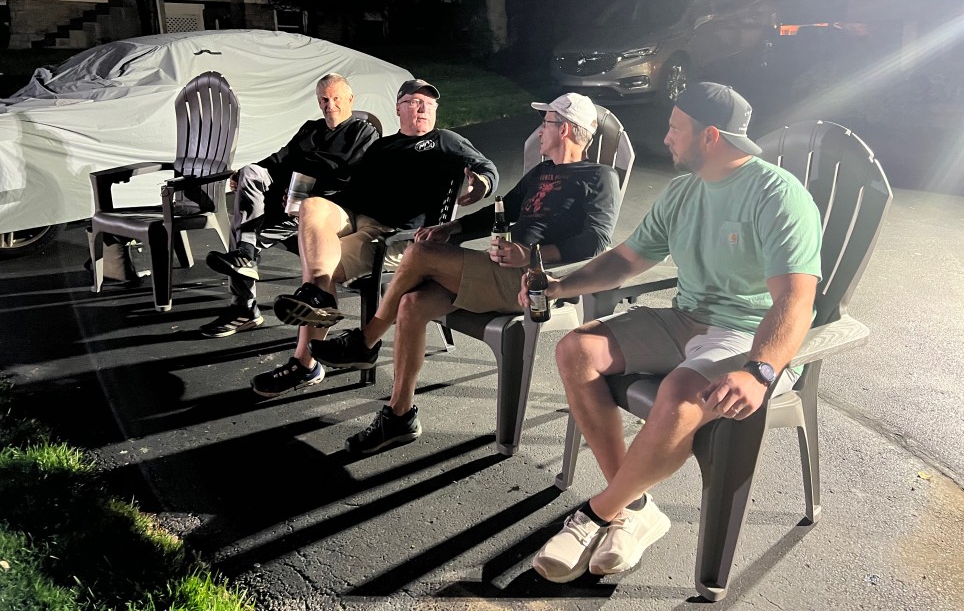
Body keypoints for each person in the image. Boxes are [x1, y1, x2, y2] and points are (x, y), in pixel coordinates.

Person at [527, 82, 822, 583]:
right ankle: (635, 509)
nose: (666, 137)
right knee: (577, 349)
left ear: (710, 136)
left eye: (675, 128)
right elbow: (625, 260)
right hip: (685, 319)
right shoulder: (684, 191)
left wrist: (760, 371)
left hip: (747, 334)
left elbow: (796, 300)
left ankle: (597, 514)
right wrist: (559, 287)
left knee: (681, 391)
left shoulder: (777, 195)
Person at [302, 92, 621, 456]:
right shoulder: (542, 173)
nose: (539, 131)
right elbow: (501, 210)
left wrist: (530, 254)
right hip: (498, 270)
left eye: (546, 123)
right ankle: (399, 416)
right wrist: (451, 229)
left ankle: (366, 340)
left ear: (563, 129)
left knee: (418, 253)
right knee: (411, 304)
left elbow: (597, 240)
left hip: (532, 284)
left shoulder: (600, 176)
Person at [249, 78, 500, 397]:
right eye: (413, 102)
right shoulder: (382, 147)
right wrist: (311, 200)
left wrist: (481, 184)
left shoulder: (445, 140)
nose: (422, 108)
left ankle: (305, 362)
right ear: (398, 109)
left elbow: (486, 168)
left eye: (429, 103)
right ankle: (317, 299)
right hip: (360, 222)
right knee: (312, 207)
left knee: (321, 269)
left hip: (398, 237)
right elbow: (352, 192)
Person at [199, 74, 379, 338]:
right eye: (324, 99)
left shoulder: (363, 132)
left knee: (244, 234)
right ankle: (245, 256)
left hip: (325, 210)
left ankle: (243, 306)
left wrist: (310, 194)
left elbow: (352, 179)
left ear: (350, 99)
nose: (330, 105)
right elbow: (279, 160)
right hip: (286, 201)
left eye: (336, 98)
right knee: (251, 173)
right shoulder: (311, 129)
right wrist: (245, 173)